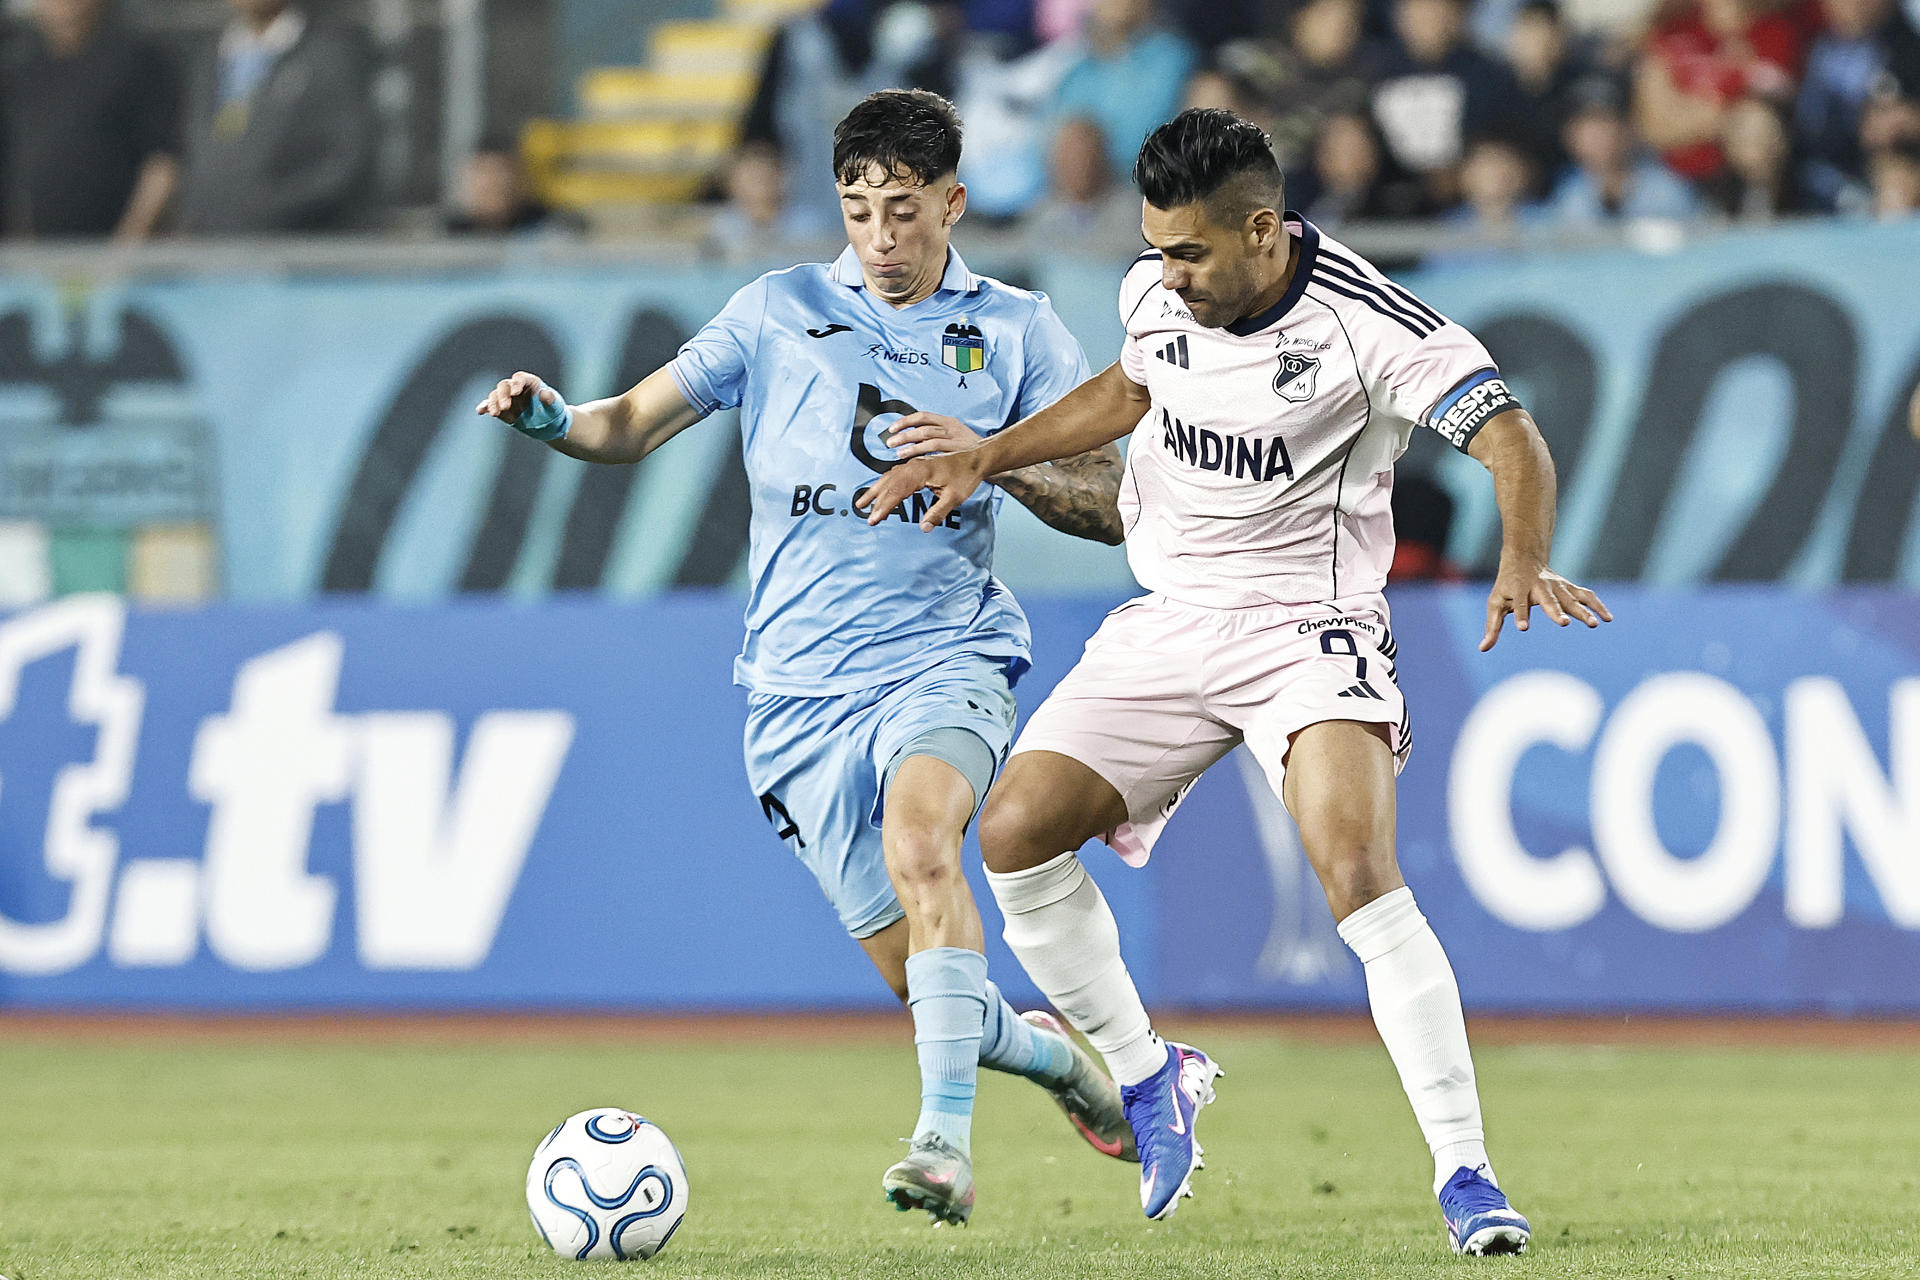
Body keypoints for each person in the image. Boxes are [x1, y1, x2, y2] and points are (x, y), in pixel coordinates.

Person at [857, 107, 1613, 1254]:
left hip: (1309, 628)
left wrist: (1522, 557)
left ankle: (1468, 1174)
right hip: (1171, 621)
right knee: (1011, 834)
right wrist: (988, 450)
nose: (1168, 273)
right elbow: (1129, 387)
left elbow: (1511, 436)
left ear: (1264, 229)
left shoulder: (1372, 324)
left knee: (1356, 869)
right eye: (1157, 247)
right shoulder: (1161, 293)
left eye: (1190, 253)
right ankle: (1149, 1077)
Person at [476, 89, 1132, 1229]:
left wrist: (995, 458)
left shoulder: (1018, 329)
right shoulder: (774, 311)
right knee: (925, 982)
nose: (880, 236)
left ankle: (942, 1144)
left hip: (944, 652)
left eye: (904, 210)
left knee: (927, 839)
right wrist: (550, 419)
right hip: (794, 695)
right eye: (860, 208)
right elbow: (627, 424)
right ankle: (1057, 1061)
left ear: (953, 203)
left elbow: (1117, 502)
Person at [178, 0, 374, 234]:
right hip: (213, 240)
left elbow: (345, 158)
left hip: (293, 245)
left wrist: (272, 206)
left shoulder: (327, 55)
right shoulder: (211, 56)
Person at [0, 0, 180, 241]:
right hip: (41, 262)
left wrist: (126, 249)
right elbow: (17, 169)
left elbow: (162, 162)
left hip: (123, 260)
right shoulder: (20, 70)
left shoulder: (138, 60)